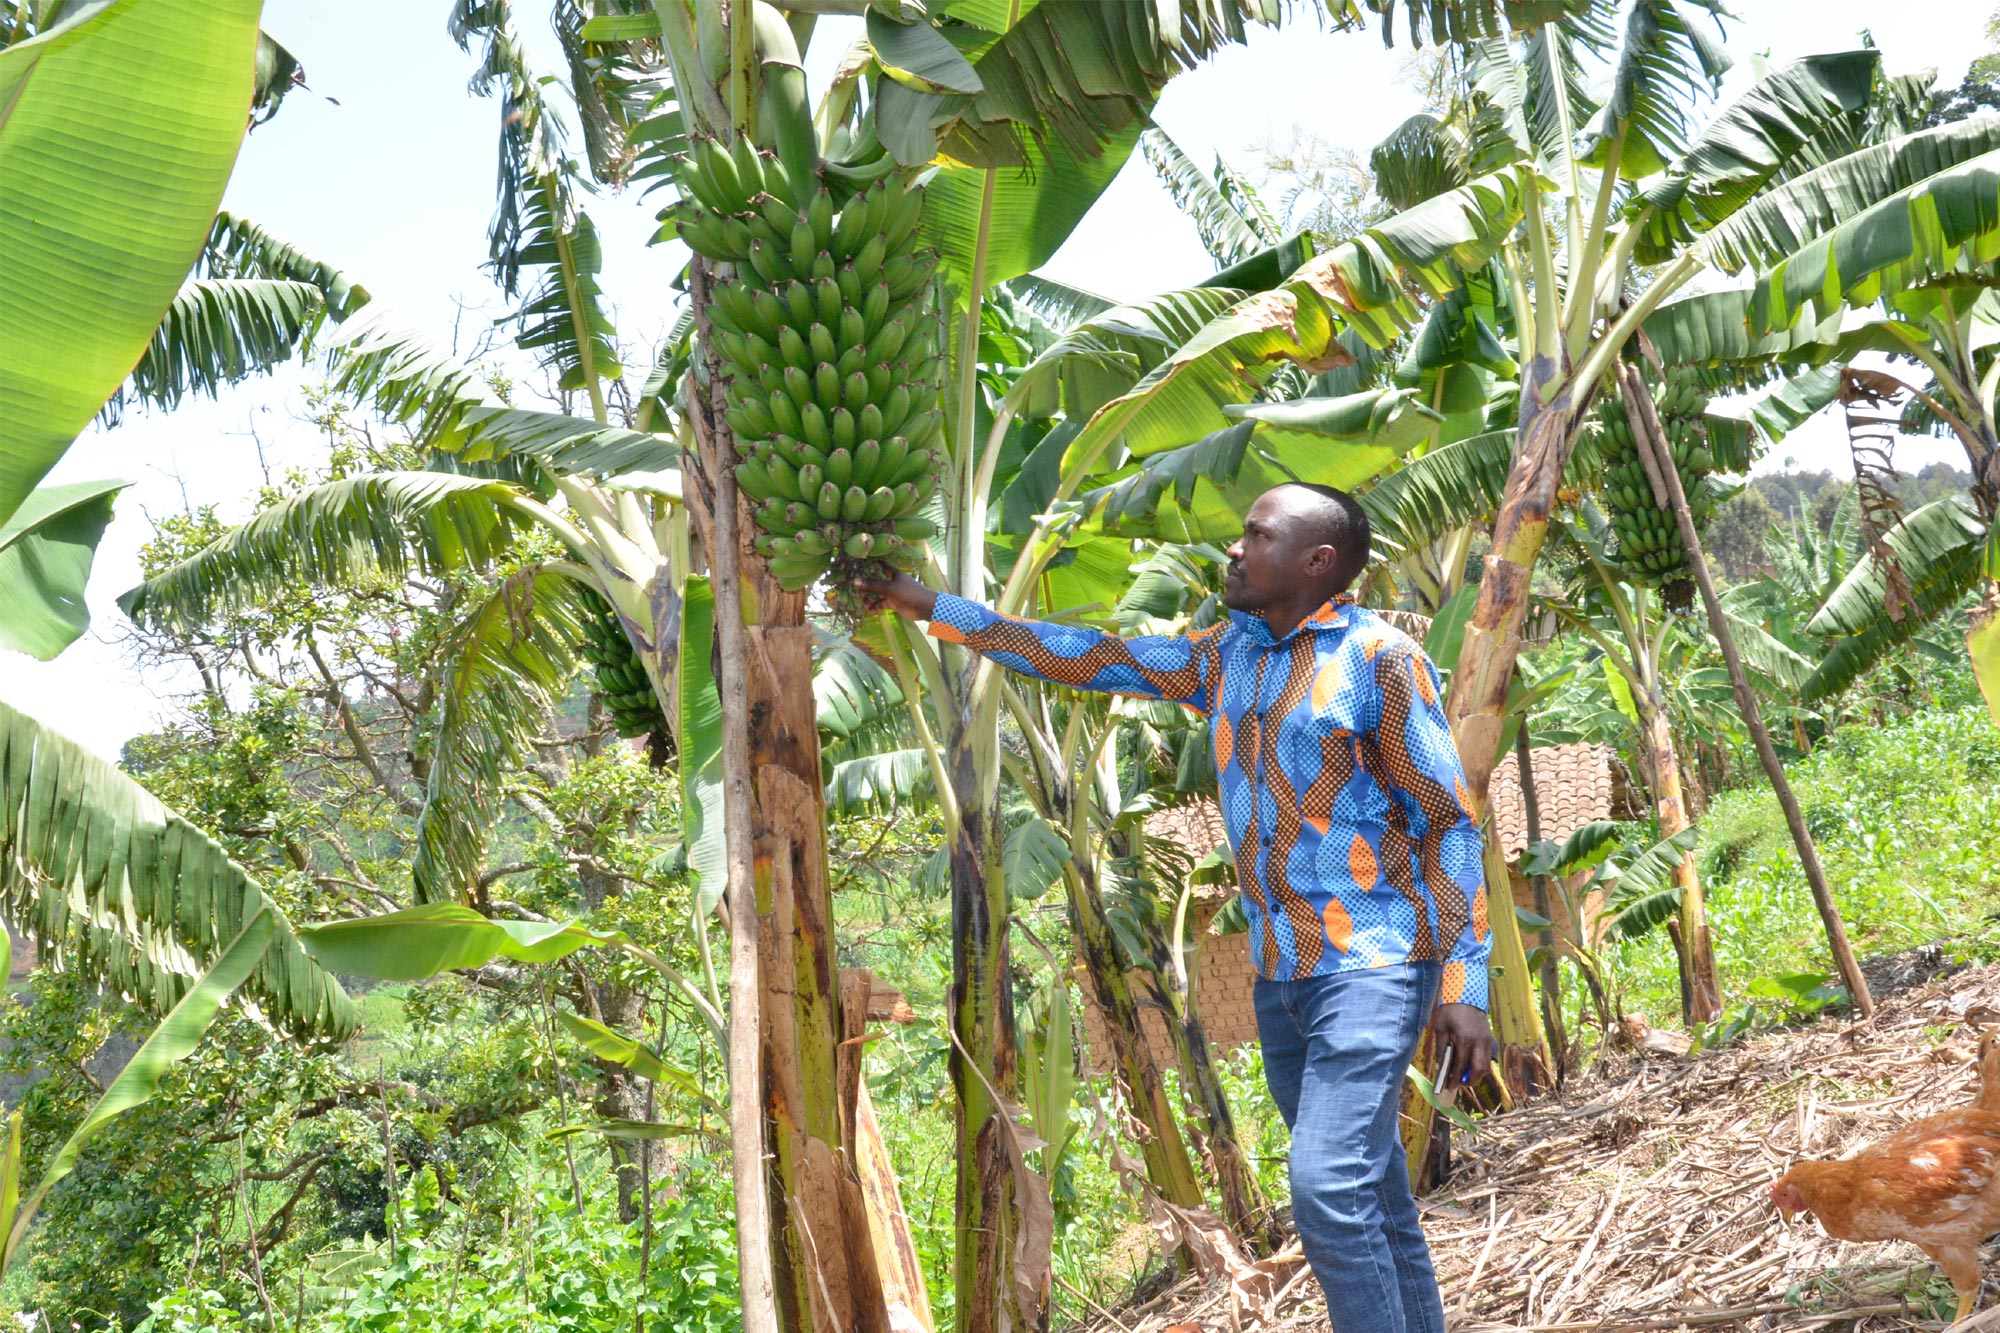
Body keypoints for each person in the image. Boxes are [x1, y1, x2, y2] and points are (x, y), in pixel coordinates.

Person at [856, 482, 1492, 1333]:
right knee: (1371, 1196)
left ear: (1318, 561)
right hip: (1280, 977)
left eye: (1256, 536)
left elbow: (1448, 820)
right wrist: (931, 605)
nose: (1235, 548)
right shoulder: (1226, 654)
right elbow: (1088, 655)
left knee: (1329, 1192)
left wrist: (1464, 983)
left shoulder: (1379, 658)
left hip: (1370, 965)